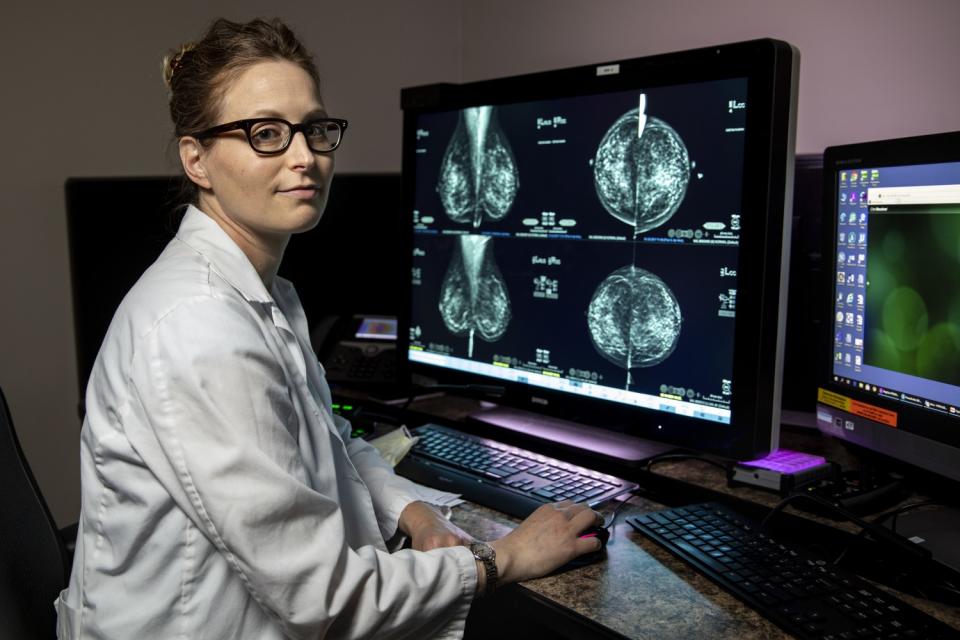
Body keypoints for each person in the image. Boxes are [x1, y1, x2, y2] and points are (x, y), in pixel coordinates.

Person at [55, 17, 603, 640]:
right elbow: (325, 599)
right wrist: (503, 557)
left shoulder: (259, 293)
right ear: (196, 159)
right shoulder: (201, 327)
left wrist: (416, 513)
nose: (304, 156)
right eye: (265, 133)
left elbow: (330, 442)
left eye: (314, 129)